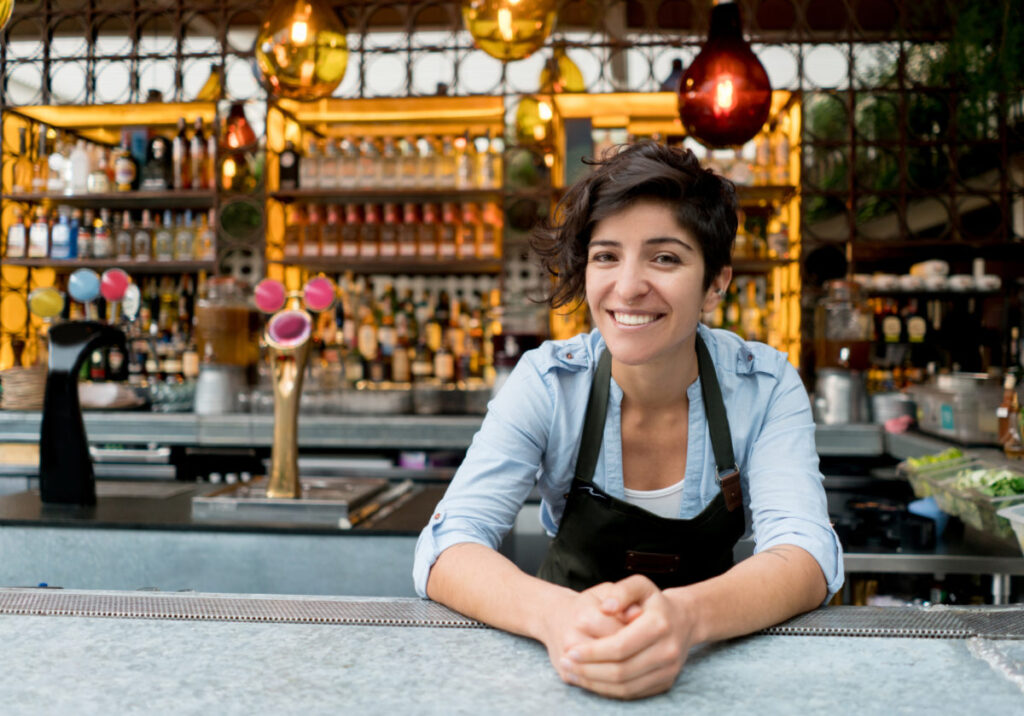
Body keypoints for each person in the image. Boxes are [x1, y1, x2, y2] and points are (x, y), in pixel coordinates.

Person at [413, 141, 843, 700]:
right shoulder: (548, 383)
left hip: (713, 677)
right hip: (558, 676)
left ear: (716, 282)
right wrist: (558, 618)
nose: (629, 286)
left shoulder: (763, 385)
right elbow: (447, 547)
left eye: (664, 257)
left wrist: (683, 619)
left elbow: (806, 554)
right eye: (606, 256)